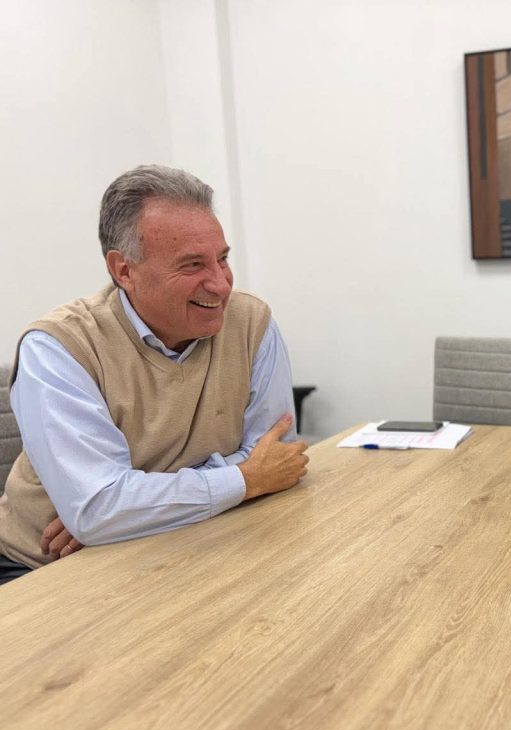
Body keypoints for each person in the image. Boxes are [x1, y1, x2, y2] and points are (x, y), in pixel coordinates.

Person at [0, 165, 309, 586]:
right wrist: (242, 479)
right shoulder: (58, 347)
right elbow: (99, 509)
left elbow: (276, 457)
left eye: (222, 259)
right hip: (44, 569)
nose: (221, 285)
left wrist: (134, 513)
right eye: (193, 265)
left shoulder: (251, 321)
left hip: (185, 545)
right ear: (124, 270)